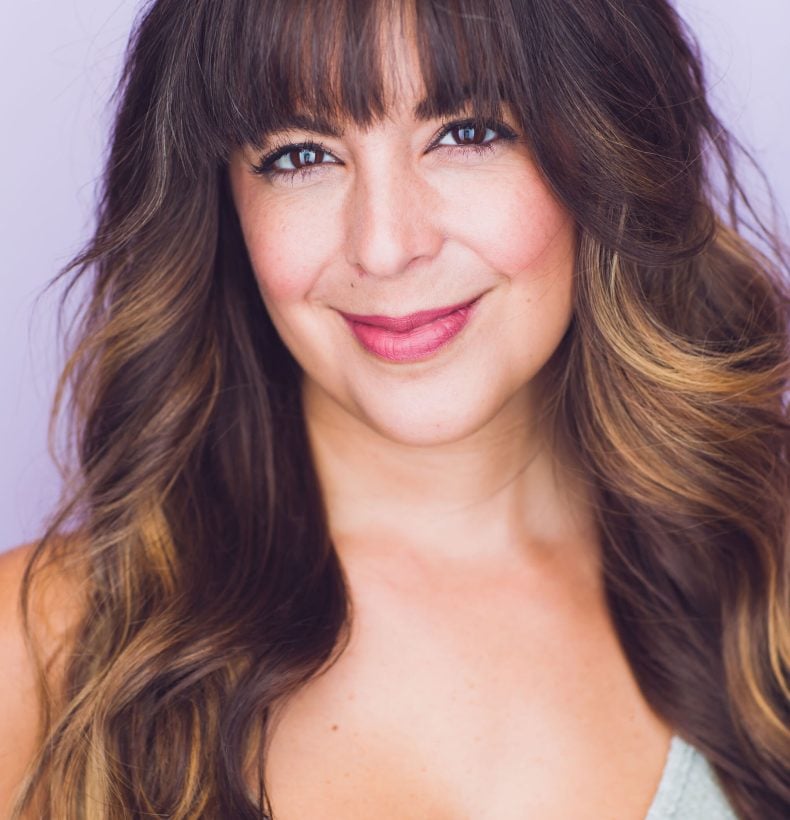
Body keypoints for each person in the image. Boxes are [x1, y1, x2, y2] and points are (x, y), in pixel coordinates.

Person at [1, 0, 788, 817]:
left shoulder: (767, 588)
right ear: (223, 203)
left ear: (607, 147)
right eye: (301, 155)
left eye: (467, 133)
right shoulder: (39, 656)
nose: (384, 246)